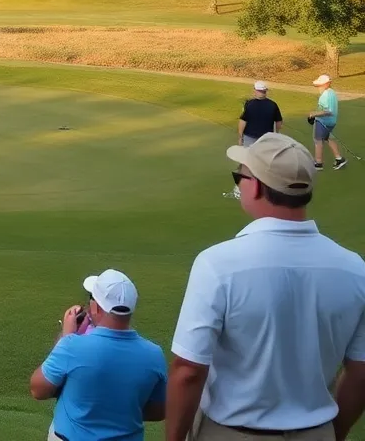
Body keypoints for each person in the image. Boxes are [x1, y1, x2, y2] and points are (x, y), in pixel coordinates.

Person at [166, 133, 365, 441]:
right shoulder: (355, 269)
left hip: (232, 432)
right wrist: (331, 433)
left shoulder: (217, 264)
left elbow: (188, 370)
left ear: (256, 184)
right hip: (316, 432)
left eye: (240, 176)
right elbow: (361, 372)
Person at [30, 269, 167, 441]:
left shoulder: (72, 346)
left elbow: (38, 390)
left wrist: (65, 337)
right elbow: (159, 410)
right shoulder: (154, 354)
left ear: (96, 307)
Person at [309, 74, 347, 170]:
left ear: (326, 84)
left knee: (318, 141)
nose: (318, 87)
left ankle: (318, 163)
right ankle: (339, 158)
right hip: (331, 122)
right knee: (328, 138)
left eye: (320, 85)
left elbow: (327, 111)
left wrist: (314, 114)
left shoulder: (326, 95)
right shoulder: (332, 92)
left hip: (323, 122)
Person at [239, 81, 282, 147]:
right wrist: (276, 134)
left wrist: (240, 137)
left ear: (255, 90)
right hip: (267, 138)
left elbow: (243, 120)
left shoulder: (249, 104)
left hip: (250, 138)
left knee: (249, 156)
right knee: (264, 157)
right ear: (265, 91)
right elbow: (278, 121)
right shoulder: (273, 105)